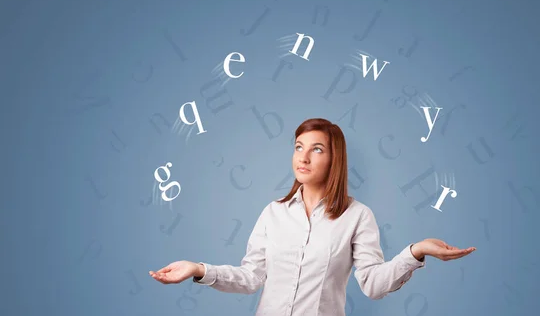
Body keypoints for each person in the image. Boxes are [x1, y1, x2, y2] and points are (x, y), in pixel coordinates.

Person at [149, 118, 476, 316]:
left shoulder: (358, 217)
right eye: (298, 146)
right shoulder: (273, 212)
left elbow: (373, 285)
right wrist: (198, 269)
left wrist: (416, 251)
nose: (303, 157)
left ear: (335, 158)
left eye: (316, 149)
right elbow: (250, 278)